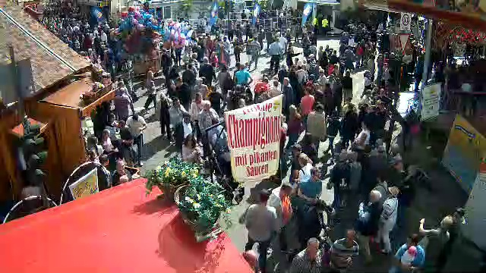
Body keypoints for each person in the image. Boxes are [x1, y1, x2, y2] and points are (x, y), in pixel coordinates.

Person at [244, 189, 278, 273]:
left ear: (259, 198)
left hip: (252, 235)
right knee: (263, 253)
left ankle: (246, 261)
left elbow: (247, 224)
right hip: (264, 237)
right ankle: (261, 270)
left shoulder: (252, 208)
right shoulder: (272, 211)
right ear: (268, 199)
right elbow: (274, 226)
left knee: (248, 246)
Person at [356, 190, 383, 263]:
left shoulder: (372, 209)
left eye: (371, 196)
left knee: (365, 243)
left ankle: (368, 258)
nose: (369, 197)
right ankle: (362, 247)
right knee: (363, 240)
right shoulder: (379, 205)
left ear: (374, 198)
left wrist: (361, 208)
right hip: (372, 227)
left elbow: (363, 217)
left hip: (366, 229)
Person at [268, 183, 293, 254]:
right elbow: (276, 214)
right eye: (287, 193)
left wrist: (290, 209)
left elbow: (287, 200)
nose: (288, 195)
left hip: (283, 222)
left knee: (282, 234)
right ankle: (265, 246)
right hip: (277, 223)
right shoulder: (276, 199)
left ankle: (283, 248)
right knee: (273, 235)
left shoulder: (284, 194)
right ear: (283, 190)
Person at [377, 187, 400, 254]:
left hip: (387, 221)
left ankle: (388, 249)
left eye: (389, 192)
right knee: (382, 231)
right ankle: (378, 240)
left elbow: (386, 214)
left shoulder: (389, 204)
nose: (388, 192)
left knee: (385, 235)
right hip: (392, 219)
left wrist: (382, 219)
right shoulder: (395, 200)